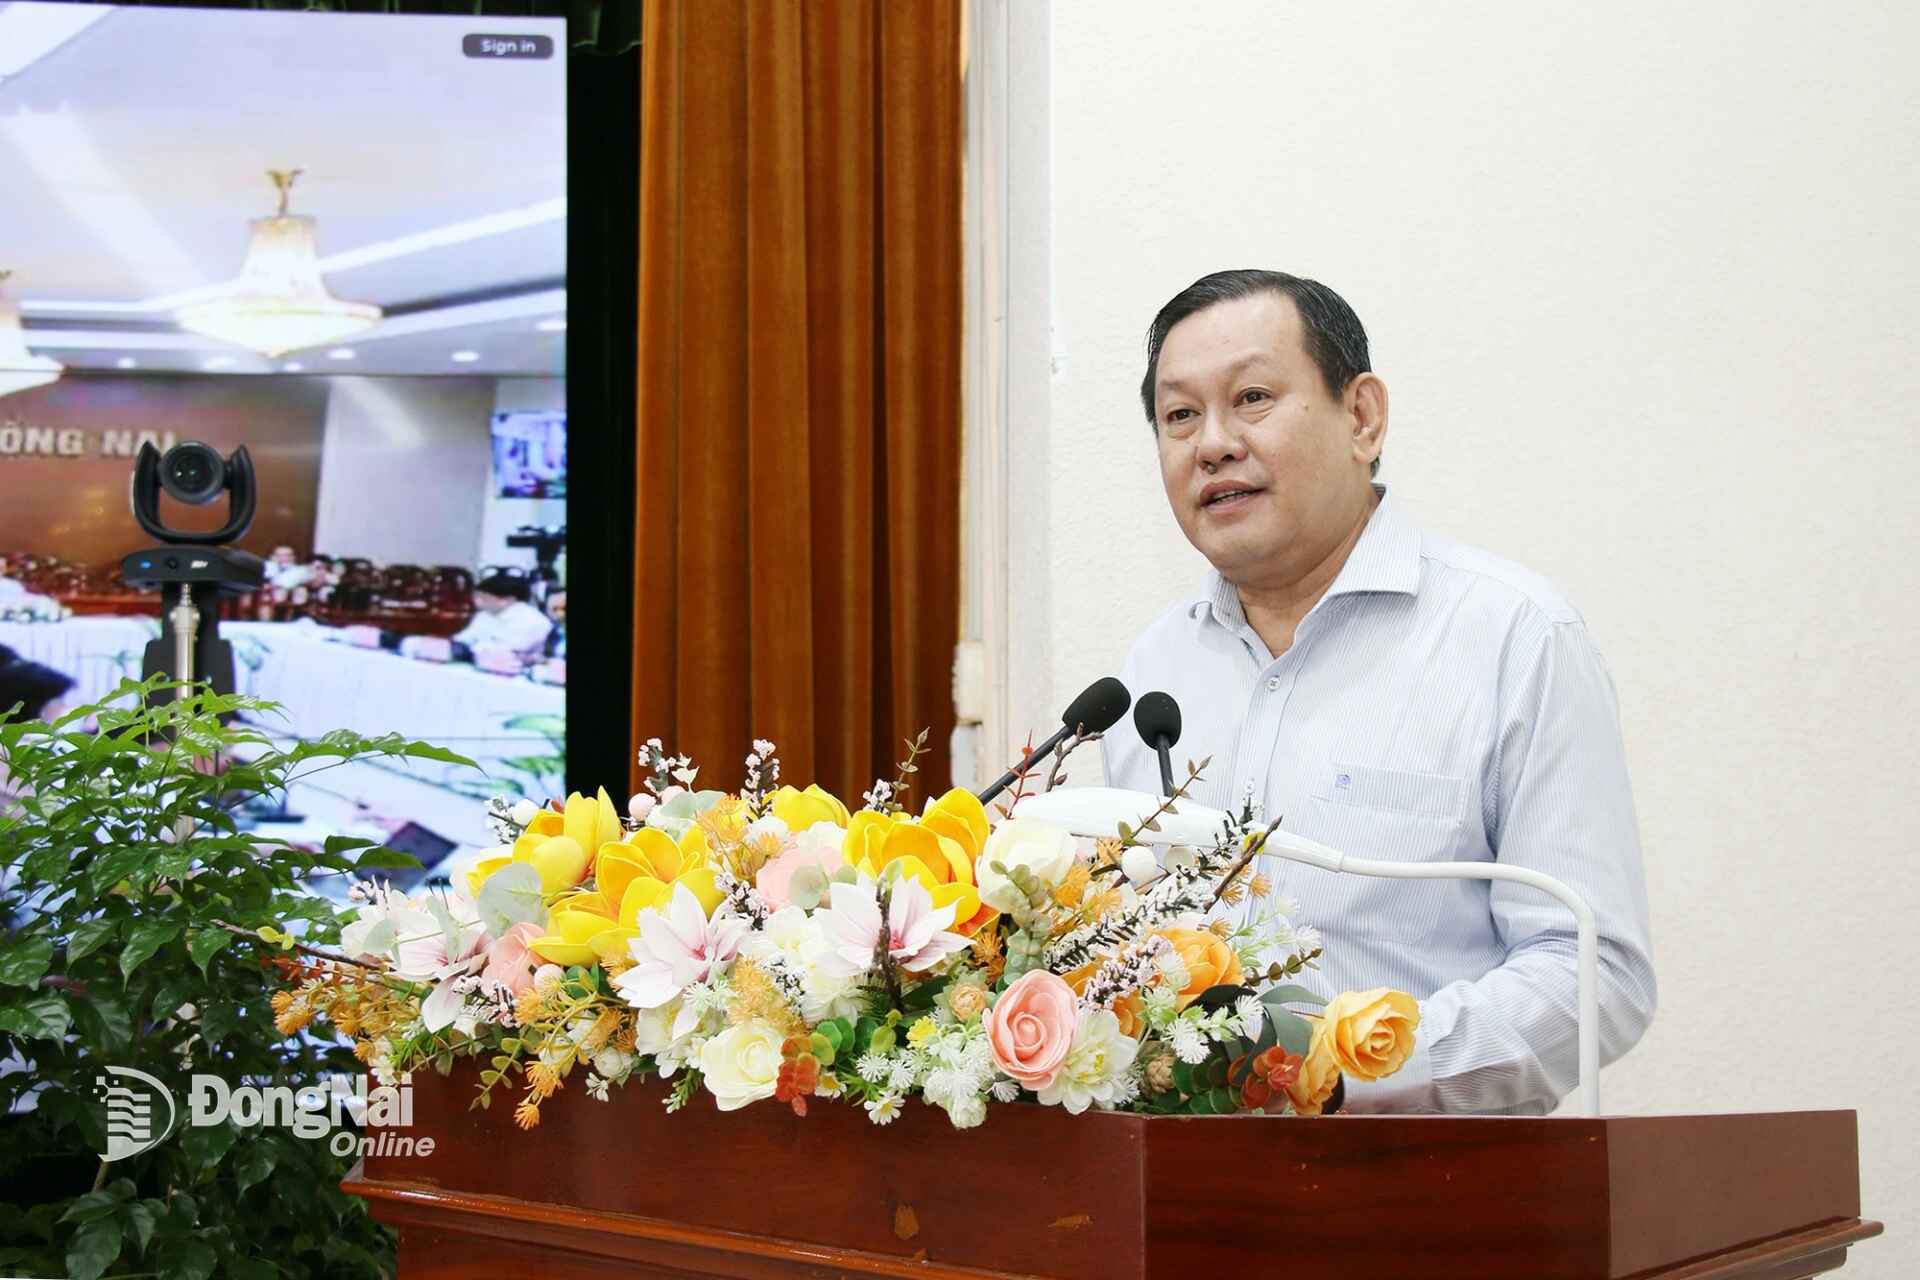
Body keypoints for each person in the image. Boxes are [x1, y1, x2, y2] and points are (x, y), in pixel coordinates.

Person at [1102, 269, 1655, 1116]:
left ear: (1362, 417)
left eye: (1251, 398)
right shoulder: (1153, 667)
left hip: (1421, 1206)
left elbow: (1592, 972)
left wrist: (1338, 1069)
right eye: (1179, 416)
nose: (1211, 443)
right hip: (1178, 1207)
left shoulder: (1514, 637)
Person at [397, 573, 552, 667]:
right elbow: (463, 640)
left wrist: (472, 649)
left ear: (507, 600)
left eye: (483, 598)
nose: (476, 601)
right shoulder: (485, 615)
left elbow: (509, 650)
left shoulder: (533, 621)